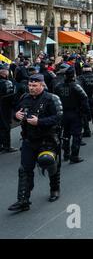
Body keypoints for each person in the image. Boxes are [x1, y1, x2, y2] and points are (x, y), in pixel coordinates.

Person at [8, 74, 63, 212]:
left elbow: (58, 117)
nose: (31, 88)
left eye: (34, 85)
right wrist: (16, 115)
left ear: (42, 85)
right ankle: (23, 200)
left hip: (47, 139)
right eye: (30, 85)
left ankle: (54, 189)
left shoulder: (52, 98)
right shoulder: (24, 98)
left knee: (50, 163)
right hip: (29, 140)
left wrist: (40, 122)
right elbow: (16, 110)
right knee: (24, 170)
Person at [54, 67, 90, 164]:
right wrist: (86, 112)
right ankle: (74, 156)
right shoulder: (76, 86)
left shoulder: (58, 86)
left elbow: (54, 100)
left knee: (66, 134)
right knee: (76, 135)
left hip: (63, 114)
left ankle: (66, 153)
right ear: (73, 75)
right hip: (75, 113)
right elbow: (85, 99)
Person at [77, 63, 93, 137]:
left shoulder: (80, 78)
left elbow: (79, 88)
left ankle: (87, 130)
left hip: (85, 98)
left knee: (85, 114)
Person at [0, 64, 18, 153]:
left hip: (3, 106)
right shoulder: (7, 83)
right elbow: (11, 98)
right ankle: (7, 146)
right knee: (6, 127)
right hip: (4, 108)